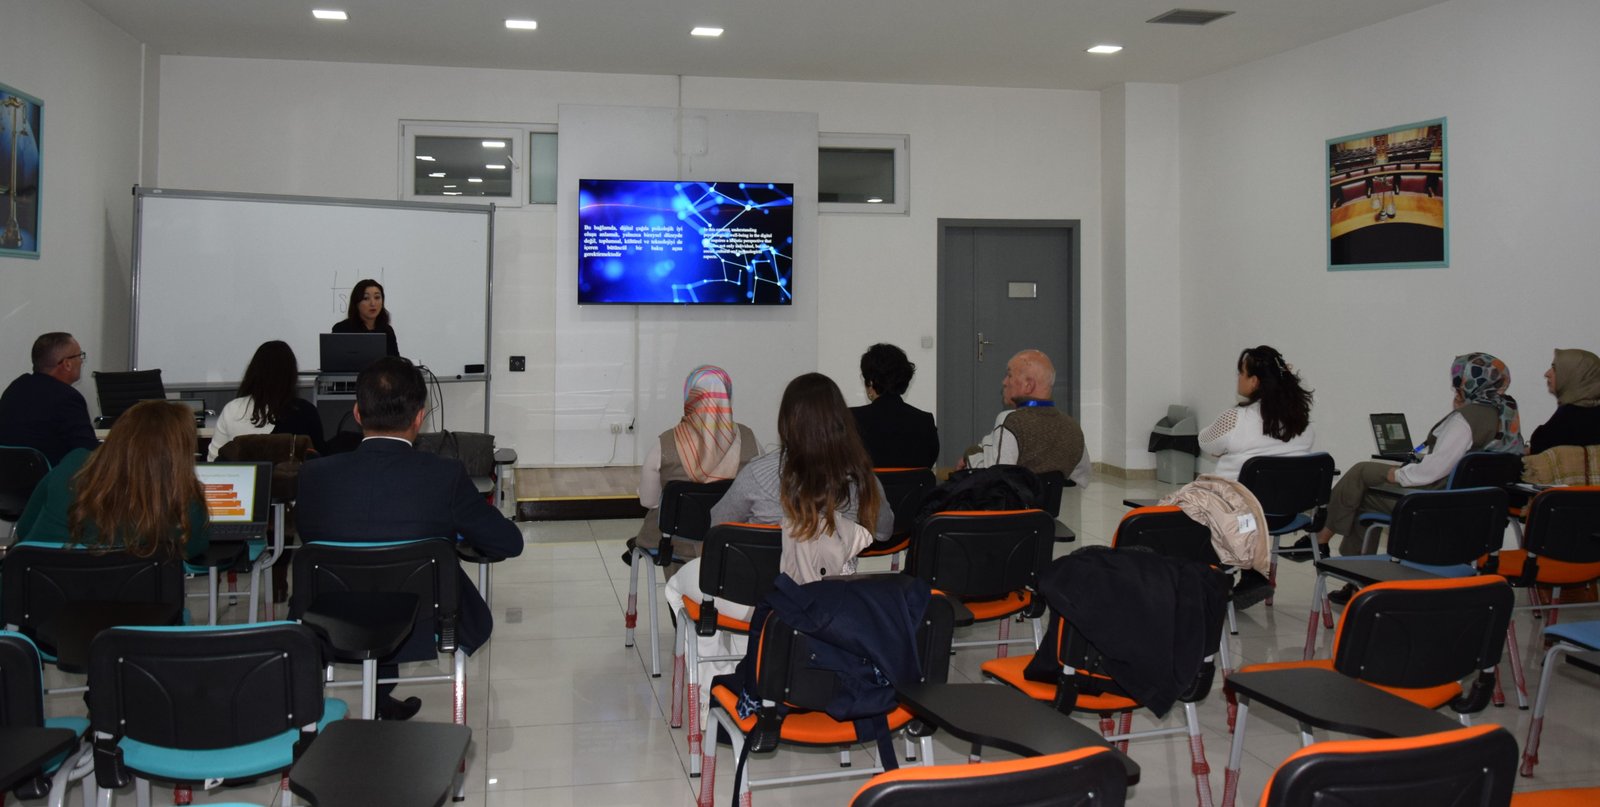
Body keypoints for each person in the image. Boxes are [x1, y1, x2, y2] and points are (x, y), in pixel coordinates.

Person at [665, 372, 890, 740]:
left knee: (679, 585)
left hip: (757, 601)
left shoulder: (760, 473)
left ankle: (712, 691)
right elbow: (884, 530)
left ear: (787, 422)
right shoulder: (863, 479)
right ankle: (749, 664)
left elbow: (718, 528)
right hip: (828, 603)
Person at [294, 356, 522, 720]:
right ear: (419, 417)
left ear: (357, 413)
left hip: (331, 616)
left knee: (370, 574)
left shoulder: (314, 475)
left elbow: (313, 538)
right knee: (396, 579)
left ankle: (380, 697)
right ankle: (382, 696)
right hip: (424, 620)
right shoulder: (444, 475)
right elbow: (508, 543)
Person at [1313, 353, 1524, 603]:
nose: (1455, 385)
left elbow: (1433, 470)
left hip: (1431, 502)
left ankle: (1344, 566)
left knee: (1362, 489)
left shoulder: (1465, 419)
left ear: (1467, 381)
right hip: (1473, 508)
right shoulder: (1506, 413)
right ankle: (1331, 549)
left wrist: (1398, 474)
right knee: (1361, 482)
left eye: (1458, 379)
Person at [14, 400, 210, 561]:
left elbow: (24, 528)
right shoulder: (183, 504)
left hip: (33, 591)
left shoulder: (73, 466)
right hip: (125, 595)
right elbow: (193, 549)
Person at [630, 365, 759, 568]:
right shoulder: (751, 440)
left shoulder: (666, 444)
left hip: (673, 546)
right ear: (727, 396)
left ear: (690, 396)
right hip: (733, 545)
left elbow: (648, 501)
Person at [964, 349, 1090, 488]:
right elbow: (1081, 481)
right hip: (1051, 502)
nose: (1004, 382)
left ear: (1028, 385)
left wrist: (971, 454)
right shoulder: (1073, 427)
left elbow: (995, 478)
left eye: (1009, 375)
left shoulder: (1011, 421)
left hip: (1011, 502)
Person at [1199, 346, 1316, 480]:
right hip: (1290, 492)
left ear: (1254, 381)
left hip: (1237, 493)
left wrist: (1222, 449)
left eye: (1241, 373)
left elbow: (1205, 442)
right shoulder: (1303, 422)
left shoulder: (1235, 418)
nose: (1239, 378)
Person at [209, 340, 329, 460]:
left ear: (253, 372)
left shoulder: (232, 409)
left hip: (243, 473)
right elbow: (319, 461)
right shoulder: (305, 412)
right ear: (291, 375)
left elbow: (213, 462)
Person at [0, 332, 99, 465]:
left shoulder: (16, 388)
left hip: (10, 476)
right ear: (67, 364)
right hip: (51, 476)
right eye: (80, 355)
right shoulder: (67, 398)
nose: (81, 361)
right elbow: (87, 452)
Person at [850, 343, 939, 468]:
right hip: (911, 482)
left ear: (870, 382)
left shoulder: (850, 419)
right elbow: (927, 465)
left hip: (867, 482)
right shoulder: (925, 421)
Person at [1529, 348, 1600, 455]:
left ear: (1574, 375)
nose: (1547, 374)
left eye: (1555, 368)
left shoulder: (1570, 416)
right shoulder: (1591, 412)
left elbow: (1541, 446)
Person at [331, 278, 399, 357]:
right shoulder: (341, 329)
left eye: (377, 297)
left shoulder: (387, 330)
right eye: (366, 298)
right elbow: (334, 360)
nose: (373, 303)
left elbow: (395, 362)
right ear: (356, 303)